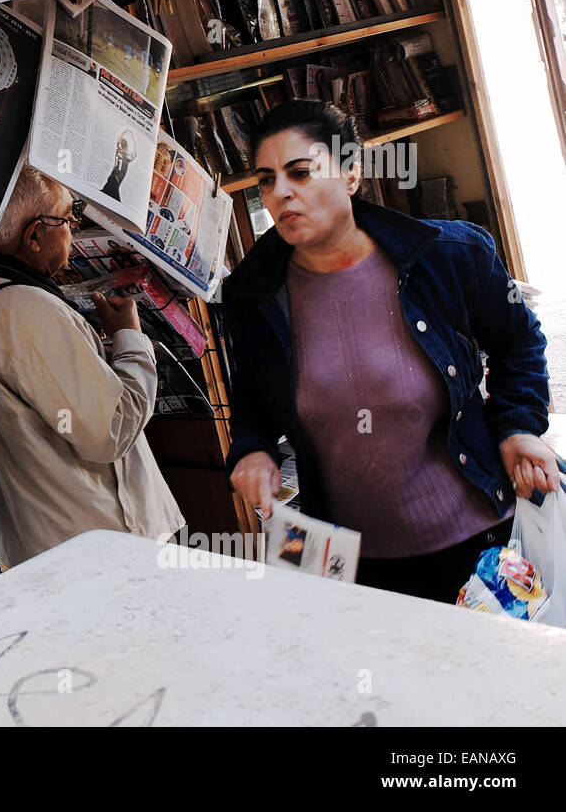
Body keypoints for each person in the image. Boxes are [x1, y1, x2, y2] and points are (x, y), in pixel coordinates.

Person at [220, 99, 561, 603]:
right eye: (266, 180)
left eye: (300, 172)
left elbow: (519, 341)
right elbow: (250, 394)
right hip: (354, 569)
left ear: (351, 174)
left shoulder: (450, 256)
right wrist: (252, 449)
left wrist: (518, 426)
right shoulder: (252, 294)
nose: (281, 194)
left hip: (482, 545)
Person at [0, 167, 185, 568]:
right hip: (96, 543)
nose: (73, 227)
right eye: (67, 218)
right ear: (34, 235)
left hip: (29, 546)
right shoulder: (27, 311)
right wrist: (129, 338)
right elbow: (111, 431)